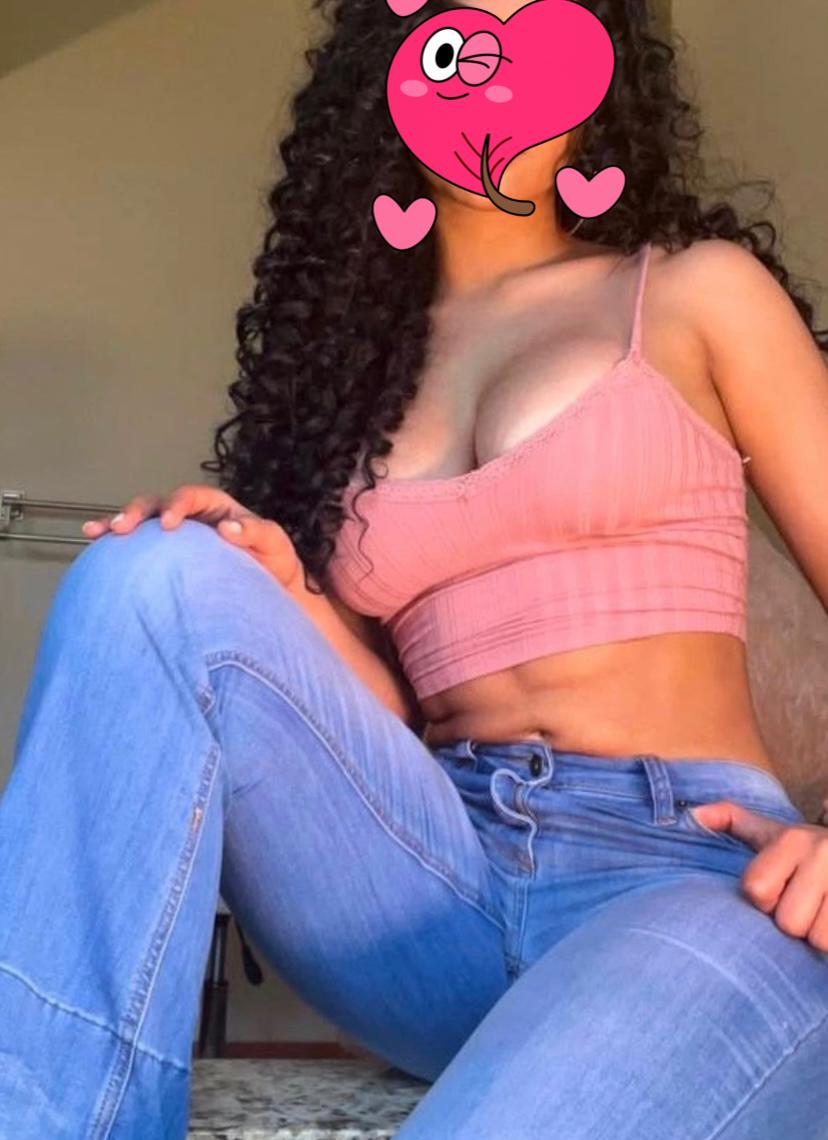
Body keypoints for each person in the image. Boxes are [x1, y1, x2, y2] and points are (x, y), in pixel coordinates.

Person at [1, 0, 827, 1136]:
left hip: (683, 867)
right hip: (435, 887)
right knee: (149, 576)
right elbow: (396, 712)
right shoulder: (355, 376)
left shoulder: (694, 290)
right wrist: (283, 590)